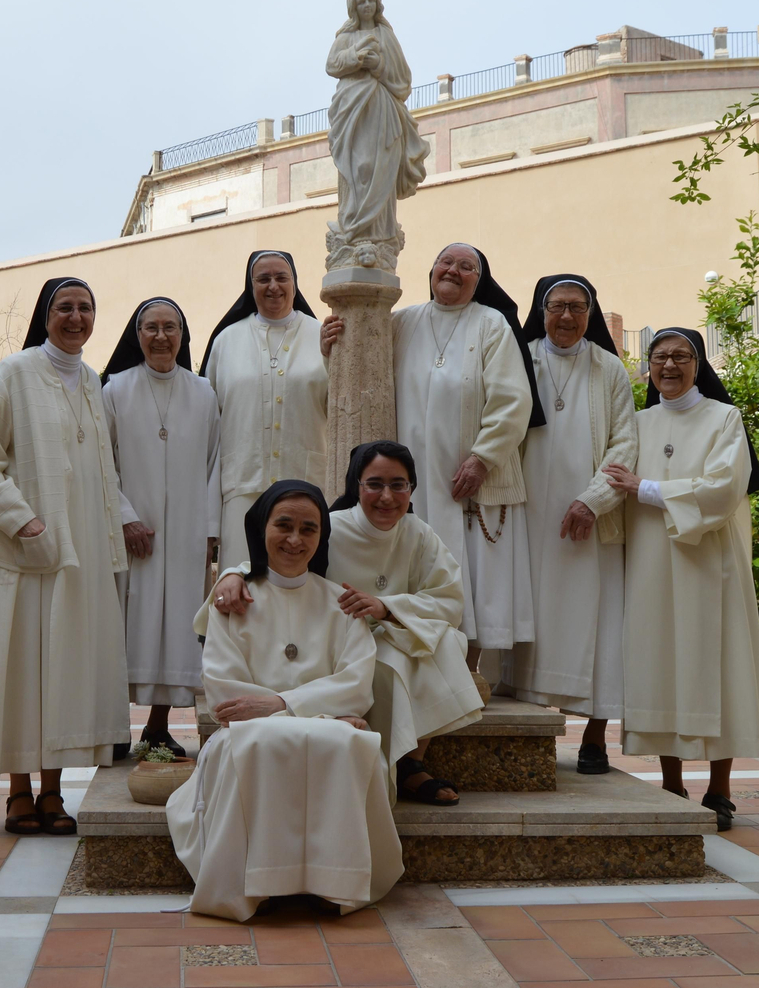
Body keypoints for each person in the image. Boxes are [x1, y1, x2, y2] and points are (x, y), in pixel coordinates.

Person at [169, 481, 402, 922]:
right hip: (256, 731)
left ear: (321, 537)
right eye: (284, 525)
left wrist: (281, 706)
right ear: (262, 528)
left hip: (310, 723)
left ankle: (333, 883)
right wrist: (316, 712)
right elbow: (224, 694)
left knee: (347, 743)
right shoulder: (232, 600)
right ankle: (259, 884)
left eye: (309, 529)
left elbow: (357, 683)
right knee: (266, 742)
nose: (296, 539)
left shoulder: (341, 604)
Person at [210, 442, 483, 806]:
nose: (386, 496)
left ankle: (410, 761)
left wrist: (386, 606)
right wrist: (232, 573)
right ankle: (384, 757)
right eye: (374, 484)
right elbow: (284, 558)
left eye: (398, 485)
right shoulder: (330, 526)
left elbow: (449, 599)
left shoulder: (419, 534)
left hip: (393, 630)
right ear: (356, 485)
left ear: (411, 488)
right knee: (385, 663)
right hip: (337, 641)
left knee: (445, 641)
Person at [0, 277, 130, 836]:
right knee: (21, 669)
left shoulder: (93, 380)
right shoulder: (14, 372)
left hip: (81, 555)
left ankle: (52, 792)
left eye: (85, 308)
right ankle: (18, 793)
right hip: (24, 550)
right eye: (65, 308)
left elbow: (102, 471)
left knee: (62, 673)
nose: (76, 318)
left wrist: (112, 540)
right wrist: (21, 518)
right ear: (46, 315)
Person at [325, 244, 542, 677]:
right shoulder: (402, 321)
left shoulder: (491, 323)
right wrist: (331, 349)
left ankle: (465, 670)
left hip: (467, 475)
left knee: (474, 575)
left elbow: (513, 400)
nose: (453, 271)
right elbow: (363, 377)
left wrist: (483, 458)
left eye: (466, 267)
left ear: (479, 279)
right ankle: (408, 662)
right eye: (446, 262)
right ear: (430, 271)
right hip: (407, 481)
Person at [602, 327, 759, 831]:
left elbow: (723, 488)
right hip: (650, 562)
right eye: (660, 357)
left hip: (710, 563)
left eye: (681, 356)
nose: (669, 366)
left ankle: (719, 790)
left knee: (719, 665)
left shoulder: (724, 418)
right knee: (658, 663)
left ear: (699, 365)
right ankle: (671, 784)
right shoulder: (636, 423)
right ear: (648, 368)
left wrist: (646, 488)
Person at [509, 275, 638, 775]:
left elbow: (625, 442)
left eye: (577, 307)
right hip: (525, 514)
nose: (566, 317)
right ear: (541, 311)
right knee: (528, 624)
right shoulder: (520, 358)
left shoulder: (609, 368)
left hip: (590, 522)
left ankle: (595, 736)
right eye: (557, 306)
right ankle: (525, 736)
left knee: (598, 624)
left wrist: (594, 500)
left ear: (591, 314)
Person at [102, 297, 220, 756]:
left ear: (182, 336)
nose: (160, 336)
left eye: (170, 327)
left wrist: (209, 528)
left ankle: (156, 727)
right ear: (138, 335)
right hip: (132, 534)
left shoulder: (203, 392)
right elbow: (102, 463)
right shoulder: (115, 389)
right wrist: (125, 517)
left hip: (188, 534)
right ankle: (114, 730)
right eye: (151, 327)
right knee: (124, 626)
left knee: (178, 629)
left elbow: (216, 462)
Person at [200, 251, 332, 569]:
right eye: (263, 279)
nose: (273, 286)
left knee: (300, 581)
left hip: (306, 484)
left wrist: (332, 358)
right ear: (251, 286)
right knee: (241, 582)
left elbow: (339, 410)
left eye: (281, 277)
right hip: (241, 486)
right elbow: (209, 427)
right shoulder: (225, 341)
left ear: (294, 284)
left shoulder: (323, 337)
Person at [323, 0, 430, 270]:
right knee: (359, 167)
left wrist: (379, 66)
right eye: (362, 2)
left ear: (377, 3)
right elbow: (332, 65)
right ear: (354, 7)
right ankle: (352, 227)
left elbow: (403, 78)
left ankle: (380, 234)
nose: (367, 6)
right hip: (351, 110)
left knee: (380, 167)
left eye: (371, 0)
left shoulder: (386, 35)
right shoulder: (346, 36)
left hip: (381, 111)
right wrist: (358, 58)